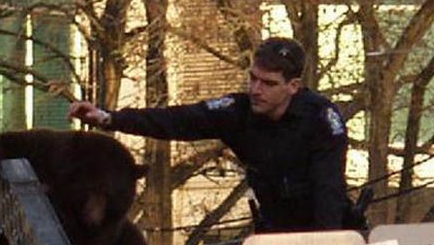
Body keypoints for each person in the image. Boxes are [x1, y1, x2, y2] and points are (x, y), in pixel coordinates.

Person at [69, 37, 360, 233]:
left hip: (329, 237)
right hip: (275, 237)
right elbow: (176, 120)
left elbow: (328, 191)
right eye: (253, 78)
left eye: (268, 84)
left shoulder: (321, 120)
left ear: (293, 86)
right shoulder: (238, 111)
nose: (256, 90)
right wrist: (109, 118)